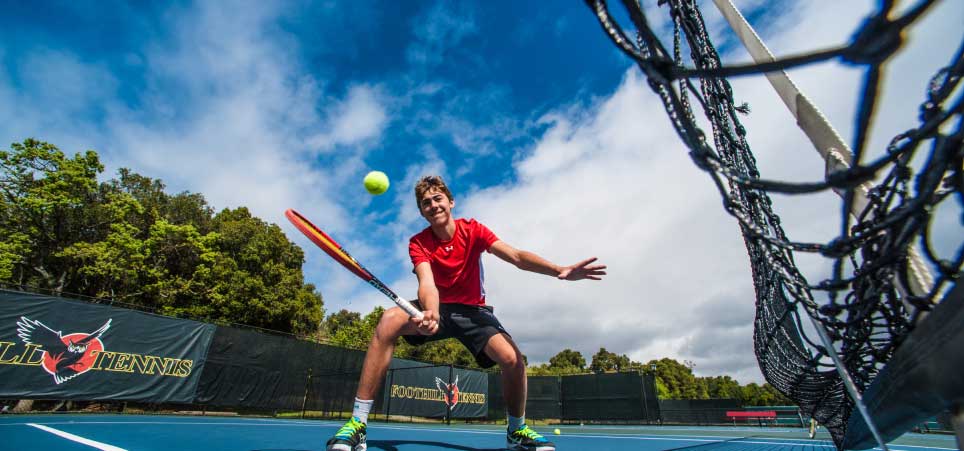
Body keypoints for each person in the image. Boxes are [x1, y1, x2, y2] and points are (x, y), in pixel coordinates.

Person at [326, 175, 606, 451]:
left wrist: (559, 270)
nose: (433, 205)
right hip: (440, 308)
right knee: (389, 320)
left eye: (437, 198)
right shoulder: (418, 242)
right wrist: (431, 312)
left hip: (473, 311)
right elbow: (427, 282)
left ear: (451, 202)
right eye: (426, 203)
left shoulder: (473, 230)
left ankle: (516, 430)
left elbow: (516, 257)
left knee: (512, 359)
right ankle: (357, 423)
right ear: (422, 212)